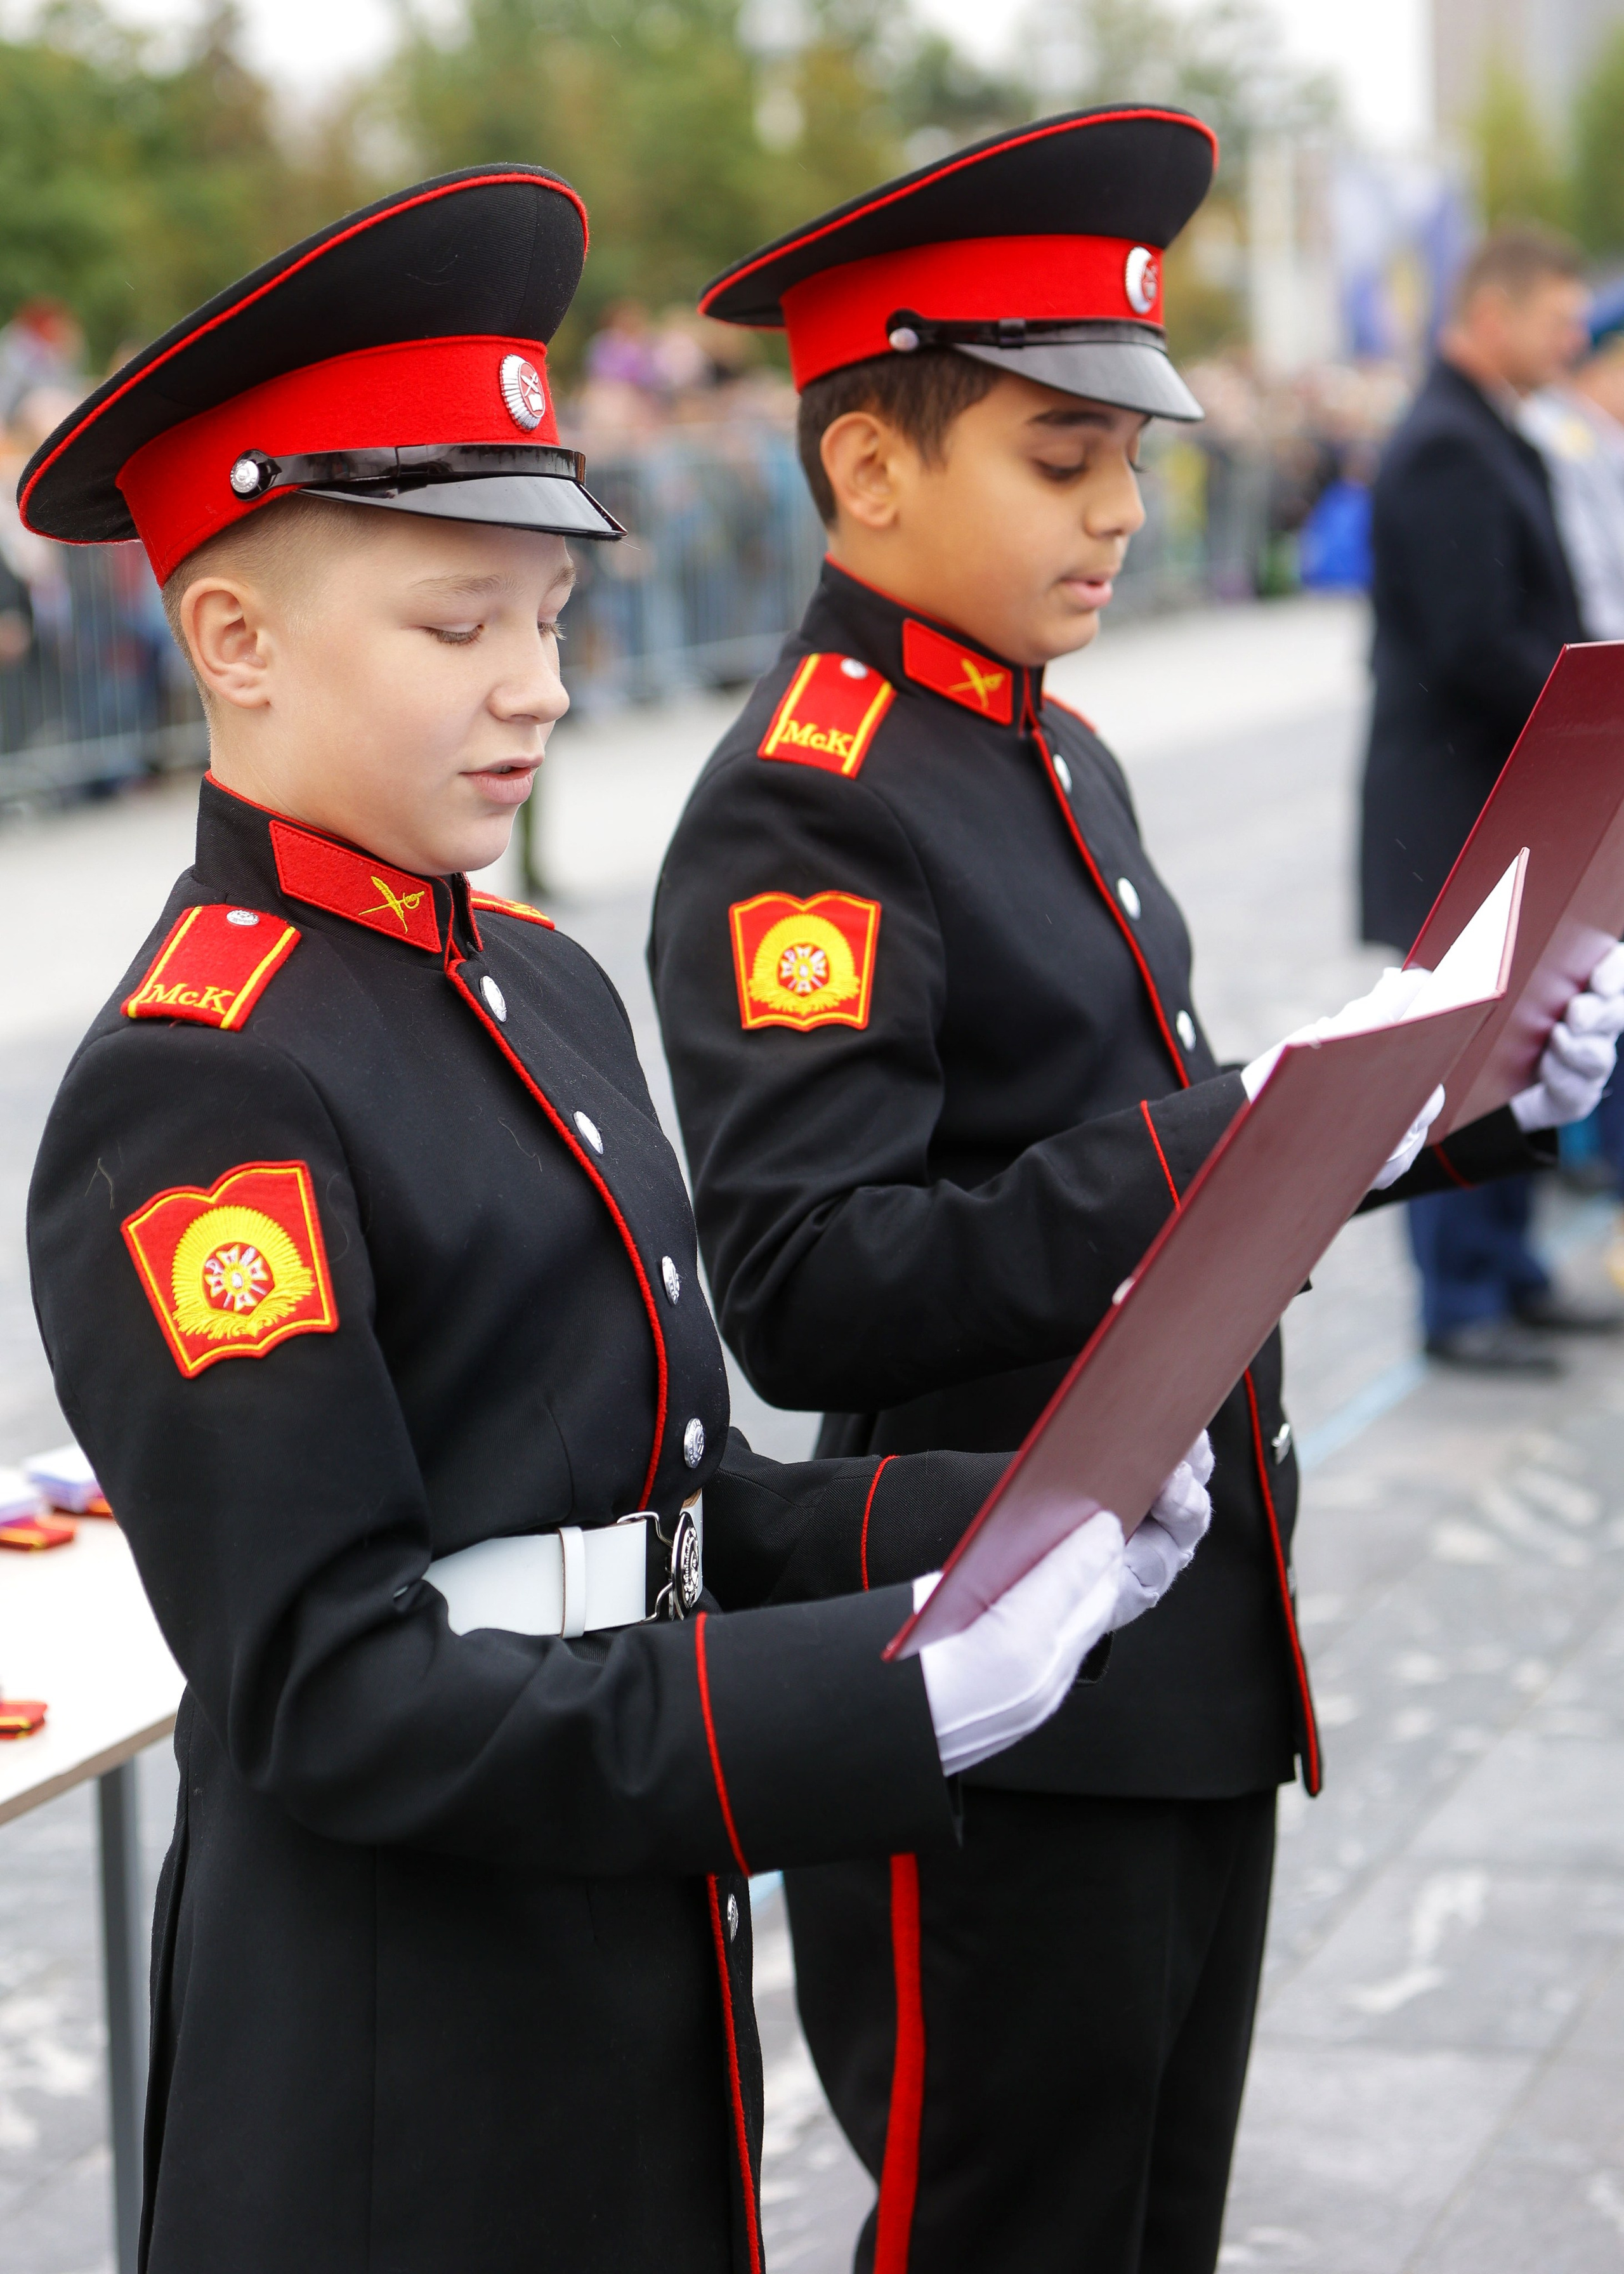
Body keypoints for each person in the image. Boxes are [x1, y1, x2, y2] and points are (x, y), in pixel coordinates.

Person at [20, 166, 1217, 2274]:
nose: (541, 687)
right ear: (230, 637)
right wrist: (885, 1703)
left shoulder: (530, 978)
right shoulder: (203, 1081)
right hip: (413, 2057)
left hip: (626, 1953)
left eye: (552, 619)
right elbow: (336, 1688)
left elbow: (658, 1507)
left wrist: (1010, 1518)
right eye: (458, 622)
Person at [648, 113, 1624, 2274]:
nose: (1121, 509)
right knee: (1013, 2229)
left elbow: (1162, 1165)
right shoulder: (805, 811)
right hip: (985, 1671)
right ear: (871, 471)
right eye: (1062, 456)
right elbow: (811, 1287)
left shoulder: (1042, 744)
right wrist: (1250, 1109)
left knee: (1148, 2226)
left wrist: (1447, 1097)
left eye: (1135, 460)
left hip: (1174, 1650)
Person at [1361, 226, 1624, 1371]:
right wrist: (1593, 709)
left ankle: (1505, 1269)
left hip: (1504, 796)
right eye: (1559, 317)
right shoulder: (1446, 445)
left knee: (1521, 1046)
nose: (1573, 339)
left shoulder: (1491, 428)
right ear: (1496, 313)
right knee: (1456, 1064)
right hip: (1462, 804)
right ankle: (1459, 1298)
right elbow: (1475, 644)